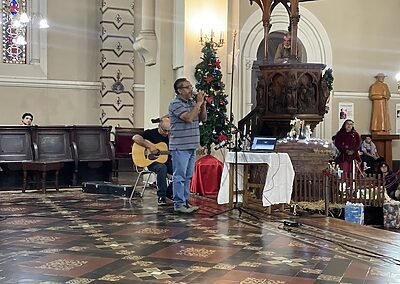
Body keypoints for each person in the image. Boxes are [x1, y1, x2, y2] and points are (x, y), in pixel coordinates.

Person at [168, 78, 207, 214]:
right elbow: (189, 118)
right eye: (188, 87)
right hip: (180, 146)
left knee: (188, 175)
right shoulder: (175, 104)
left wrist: (202, 105)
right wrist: (199, 103)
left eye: (191, 86)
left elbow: (203, 118)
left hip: (191, 145)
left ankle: (185, 201)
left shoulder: (192, 102)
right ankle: (178, 203)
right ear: (180, 90)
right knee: (179, 176)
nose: (191, 89)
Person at [132, 117, 173, 206]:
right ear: (159, 126)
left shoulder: (172, 136)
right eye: (164, 130)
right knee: (162, 168)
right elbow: (135, 137)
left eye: (168, 131)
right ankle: (161, 196)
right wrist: (150, 146)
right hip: (151, 162)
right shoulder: (150, 133)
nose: (166, 133)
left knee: (181, 170)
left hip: (167, 160)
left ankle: (169, 193)